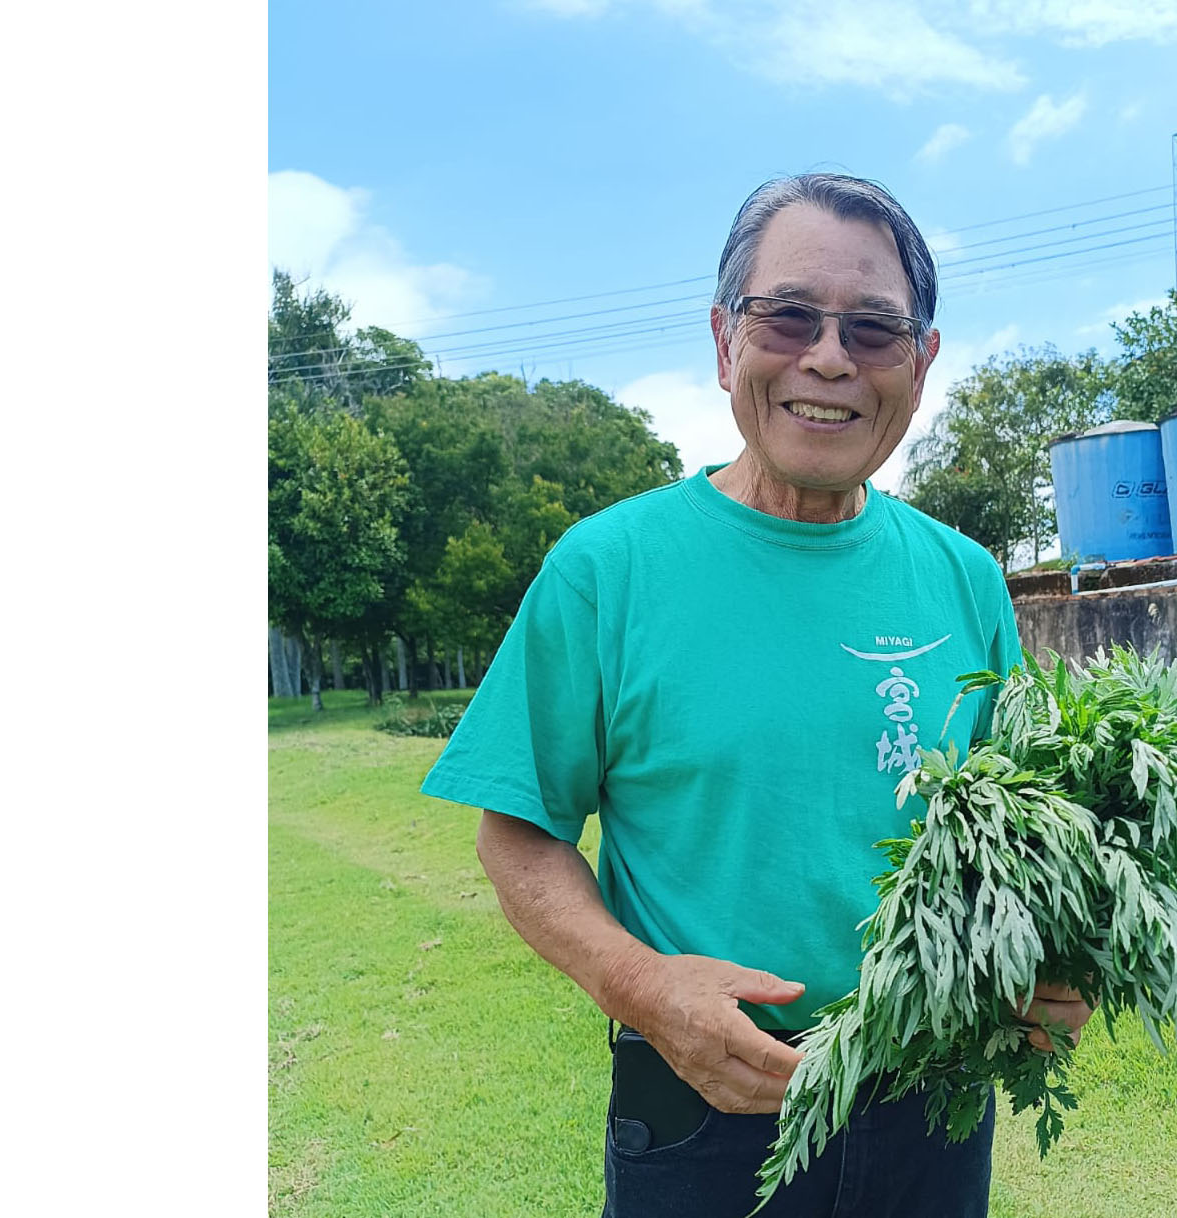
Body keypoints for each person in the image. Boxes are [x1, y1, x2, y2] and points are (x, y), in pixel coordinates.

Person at [420, 173, 1093, 1218]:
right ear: (724, 339)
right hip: (704, 1098)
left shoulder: (963, 576)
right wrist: (644, 988)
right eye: (788, 316)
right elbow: (516, 833)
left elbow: (1016, 827)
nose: (828, 357)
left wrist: (1057, 961)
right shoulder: (609, 569)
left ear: (922, 364)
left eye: (874, 330)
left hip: (935, 1099)